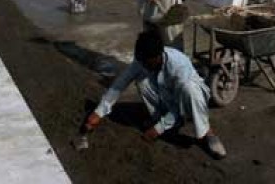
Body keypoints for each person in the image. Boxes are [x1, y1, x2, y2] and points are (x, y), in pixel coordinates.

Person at [79, 30, 227, 159]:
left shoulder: (178, 66)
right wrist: (99, 111)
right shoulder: (144, 59)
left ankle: (208, 132)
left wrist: (159, 128)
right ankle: (166, 121)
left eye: (145, 62)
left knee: (188, 89)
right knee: (142, 81)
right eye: (141, 62)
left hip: (190, 98)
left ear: (157, 57)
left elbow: (178, 104)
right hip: (168, 96)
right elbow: (121, 83)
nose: (142, 65)